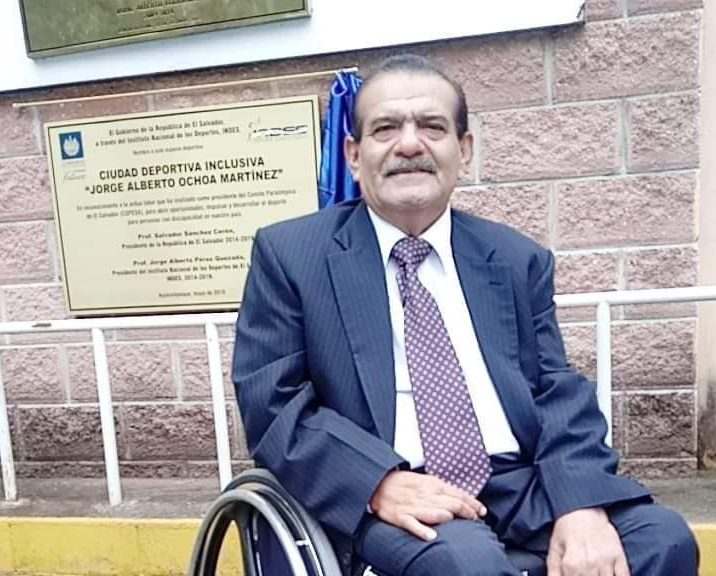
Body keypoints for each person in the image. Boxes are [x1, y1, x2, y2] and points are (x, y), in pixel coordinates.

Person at [232, 55, 698, 575]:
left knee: (660, 540)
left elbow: (555, 389)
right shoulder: (292, 256)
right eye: (386, 129)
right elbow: (273, 405)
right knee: (467, 564)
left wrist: (580, 502)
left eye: (432, 127)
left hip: (516, 482)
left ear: (465, 150)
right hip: (393, 486)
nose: (410, 144)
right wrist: (376, 482)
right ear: (354, 156)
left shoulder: (514, 259)